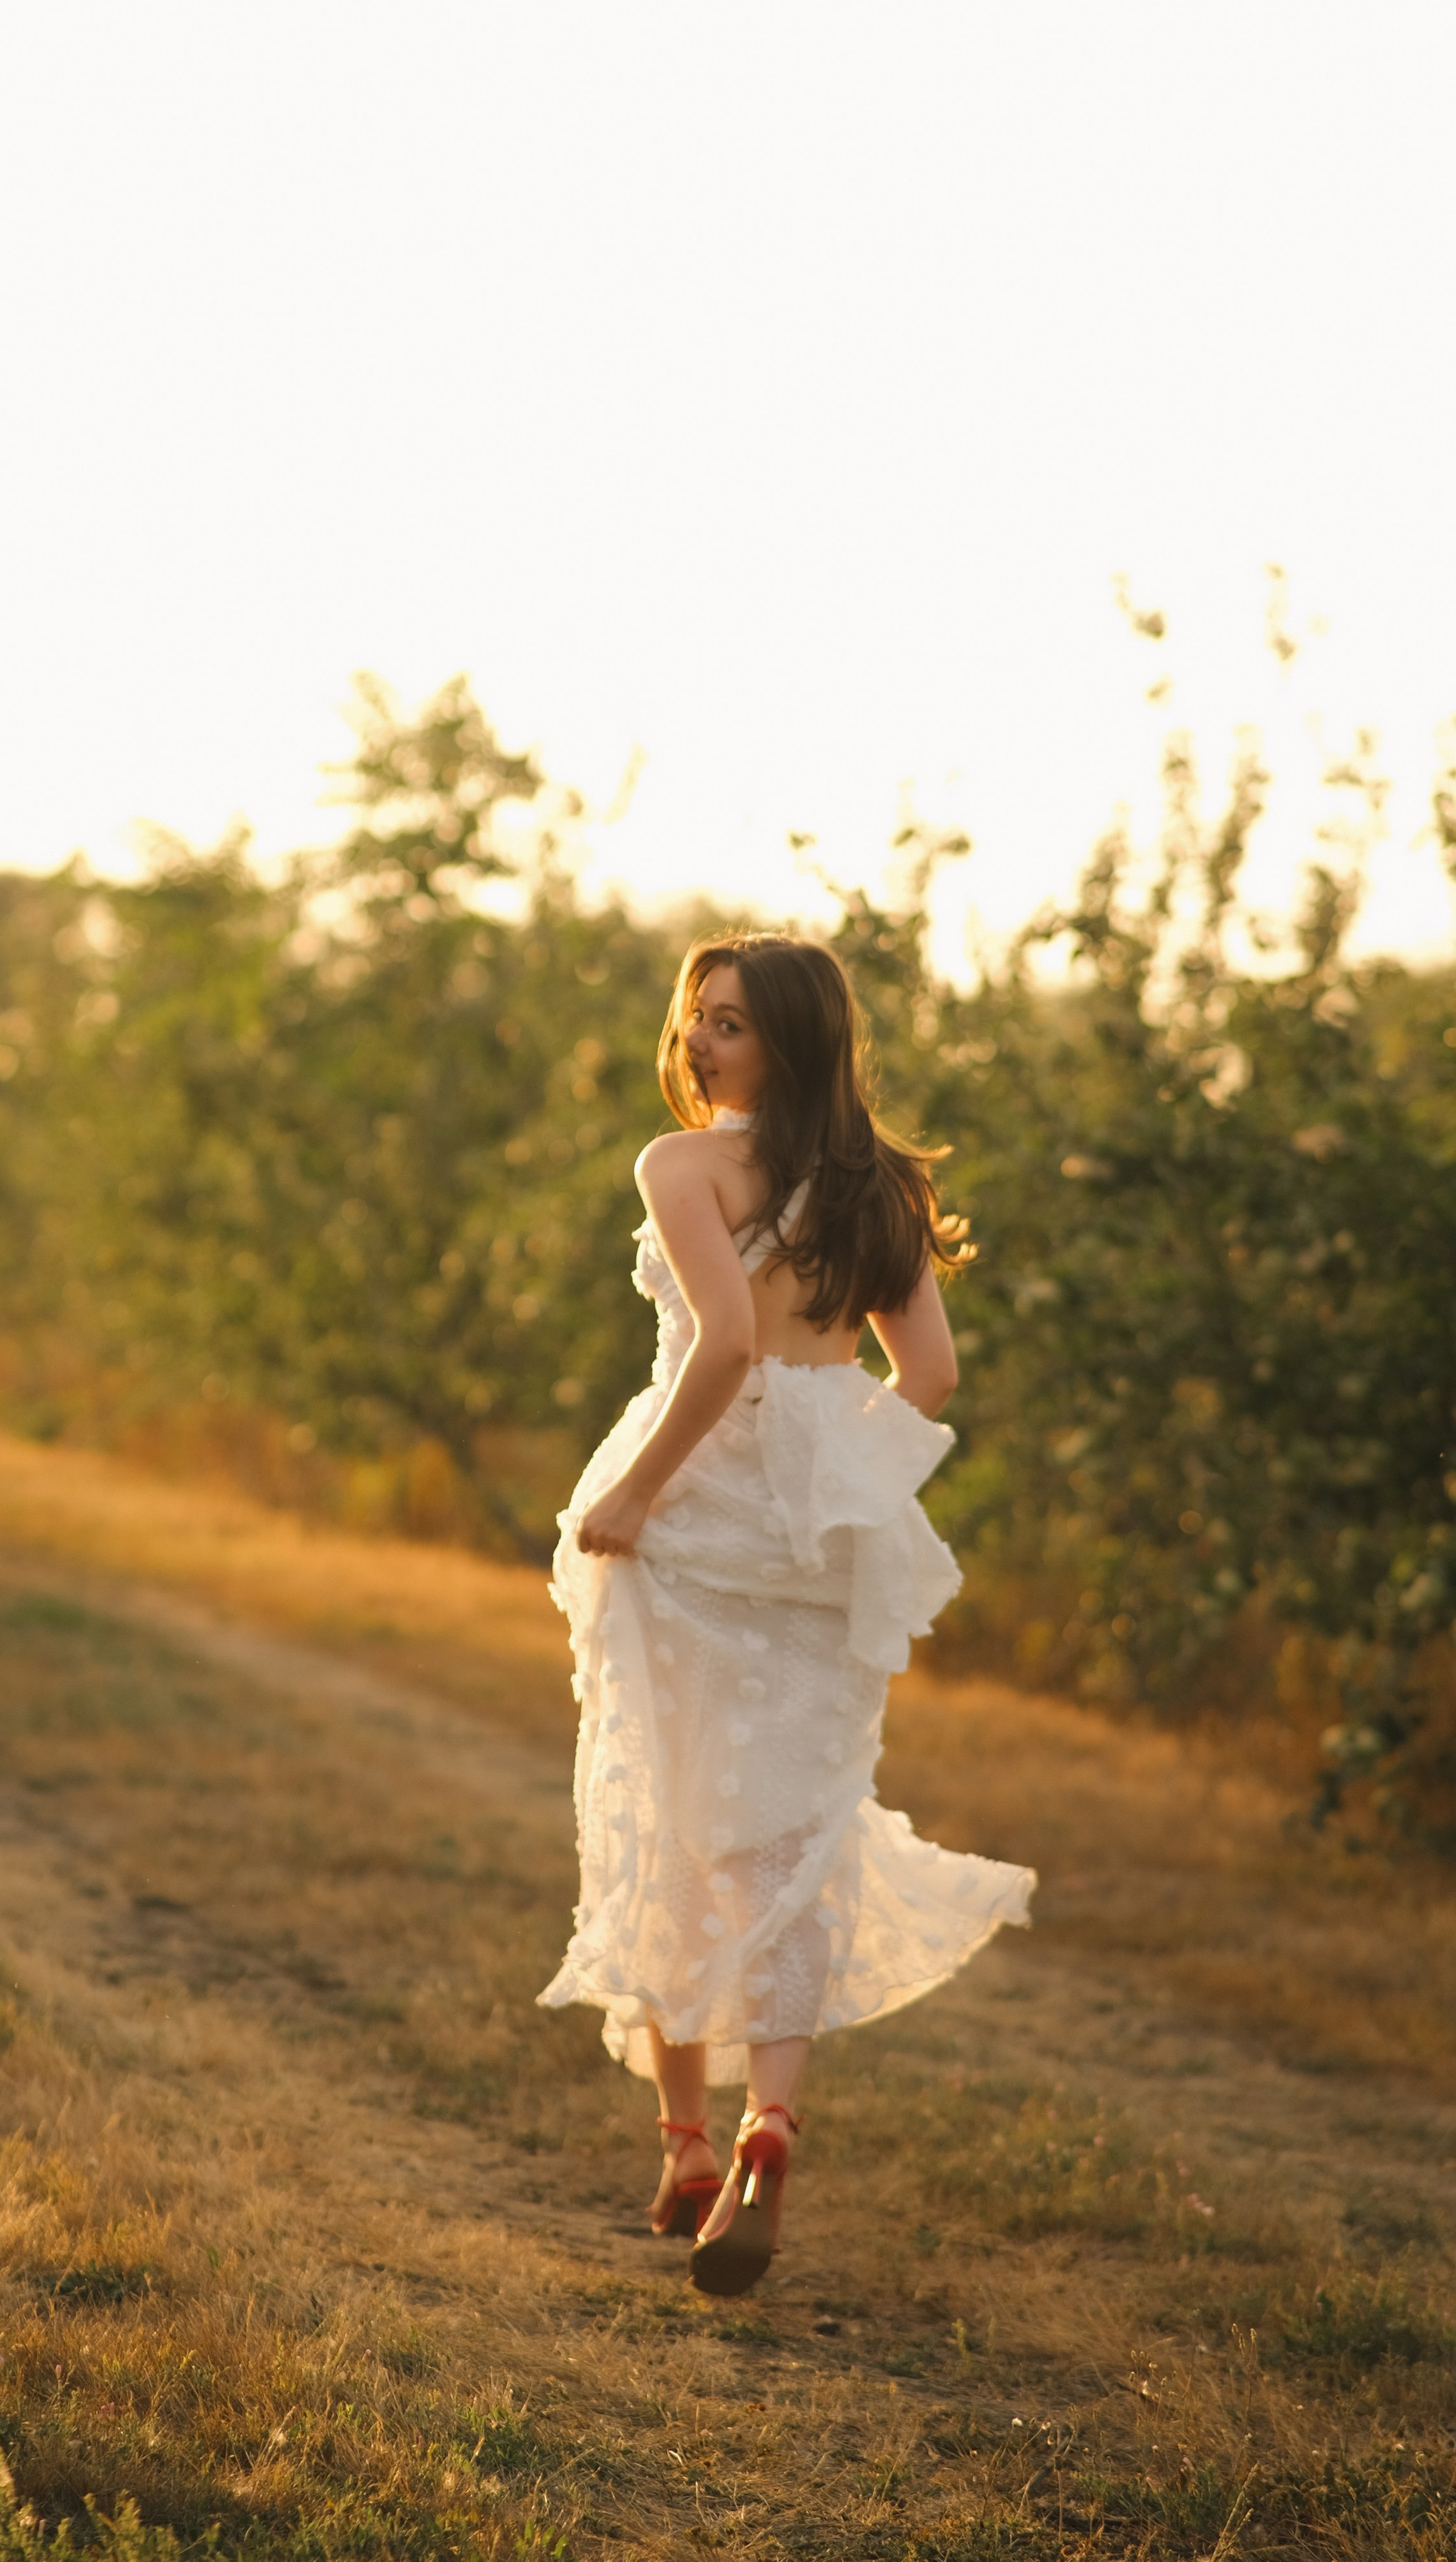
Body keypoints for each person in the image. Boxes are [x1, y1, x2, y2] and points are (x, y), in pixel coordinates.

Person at [536, 933, 1035, 2296]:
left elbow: (724, 1342)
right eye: (696, 1019)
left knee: (665, 1800)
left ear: (788, 1046)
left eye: (731, 1028)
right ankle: (765, 2128)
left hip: (695, 1516)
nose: (699, 1044)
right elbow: (923, 1375)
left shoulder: (679, 1164)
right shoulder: (880, 1183)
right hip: (814, 1536)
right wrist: (822, 1476)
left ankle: (687, 2142)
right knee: (785, 1828)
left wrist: (637, 1493)